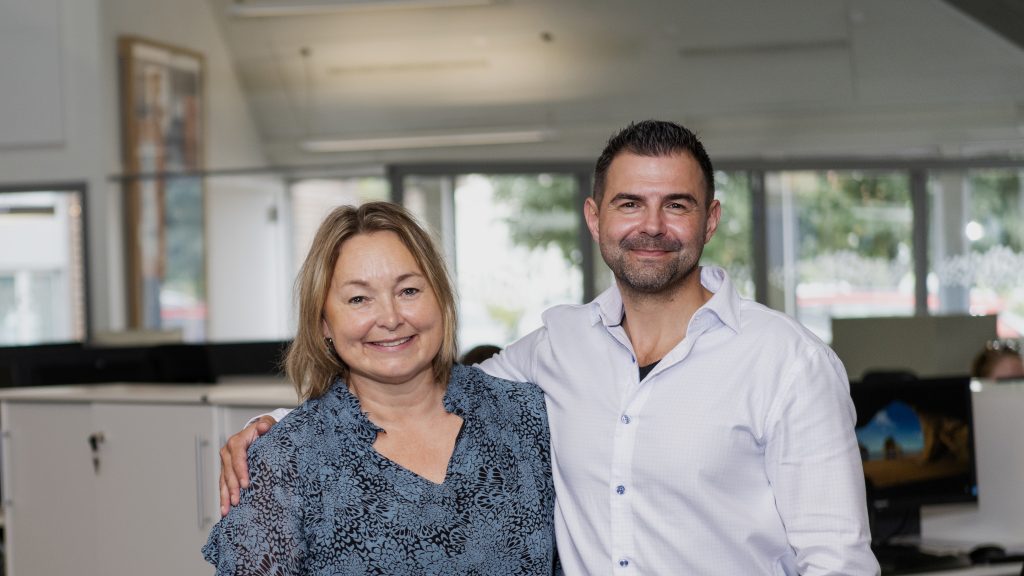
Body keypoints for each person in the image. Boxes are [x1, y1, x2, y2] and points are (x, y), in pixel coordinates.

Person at [221, 121, 878, 574]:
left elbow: (838, 562)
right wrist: (279, 434)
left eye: (677, 205)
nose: (651, 226)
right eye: (630, 203)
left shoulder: (788, 363)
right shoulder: (557, 348)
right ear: (595, 218)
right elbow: (417, 386)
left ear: (711, 219)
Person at [204, 202, 554, 574]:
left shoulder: (527, 418)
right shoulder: (283, 462)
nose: (390, 318)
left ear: (440, 298)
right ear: (323, 323)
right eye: (359, 299)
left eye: (408, 291)